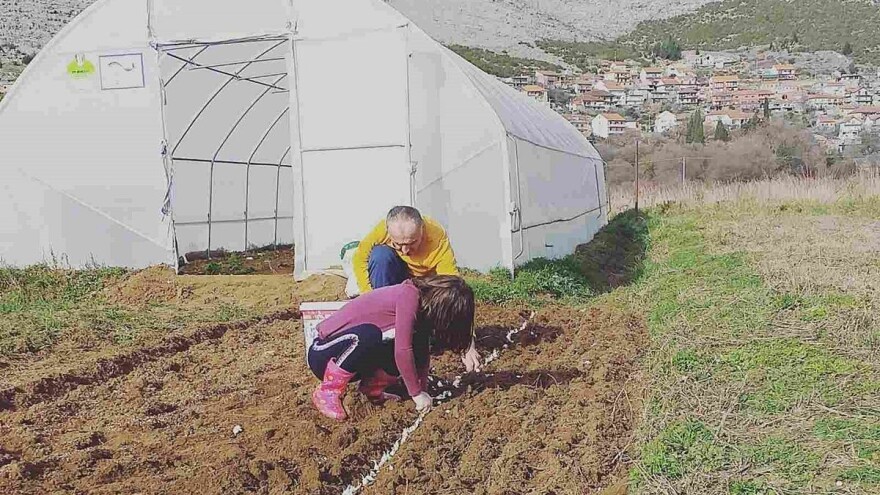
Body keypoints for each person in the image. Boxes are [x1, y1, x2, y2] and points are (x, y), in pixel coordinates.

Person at [308, 275, 474, 421]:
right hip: (322, 353)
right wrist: (415, 394)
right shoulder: (408, 295)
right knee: (369, 335)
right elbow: (403, 350)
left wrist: (423, 390)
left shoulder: (420, 309)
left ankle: (372, 390)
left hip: (346, 355)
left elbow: (421, 353)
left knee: (413, 341)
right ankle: (328, 391)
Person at [348, 205, 482, 372]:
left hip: (423, 286)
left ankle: (422, 330)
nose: (405, 250)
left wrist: (467, 343)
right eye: (398, 244)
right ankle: (385, 327)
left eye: (412, 243)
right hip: (396, 278)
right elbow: (359, 259)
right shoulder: (382, 229)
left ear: (422, 231)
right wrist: (369, 296)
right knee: (381, 256)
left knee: (441, 302)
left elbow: (453, 287)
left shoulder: (437, 237)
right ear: (389, 231)